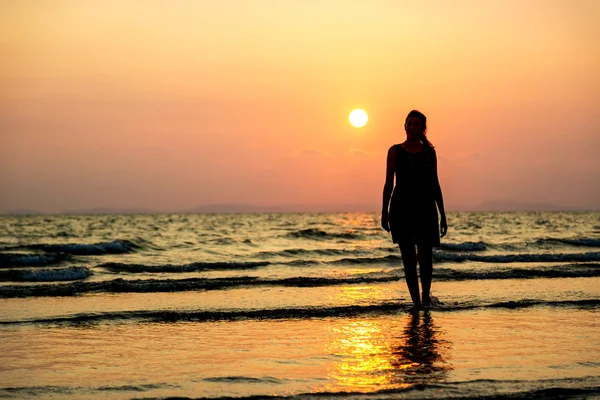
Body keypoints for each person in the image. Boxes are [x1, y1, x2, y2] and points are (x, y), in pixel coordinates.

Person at [381, 110, 447, 308]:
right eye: (409, 123)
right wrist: (384, 212)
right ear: (404, 126)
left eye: (417, 124)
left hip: (426, 208)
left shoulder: (429, 153)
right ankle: (416, 302)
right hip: (401, 209)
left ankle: (426, 299)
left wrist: (442, 214)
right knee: (409, 260)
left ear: (423, 129)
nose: (412, 127)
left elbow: (435, 183)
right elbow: (388, 184)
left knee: (426, 258)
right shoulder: (394, 151)